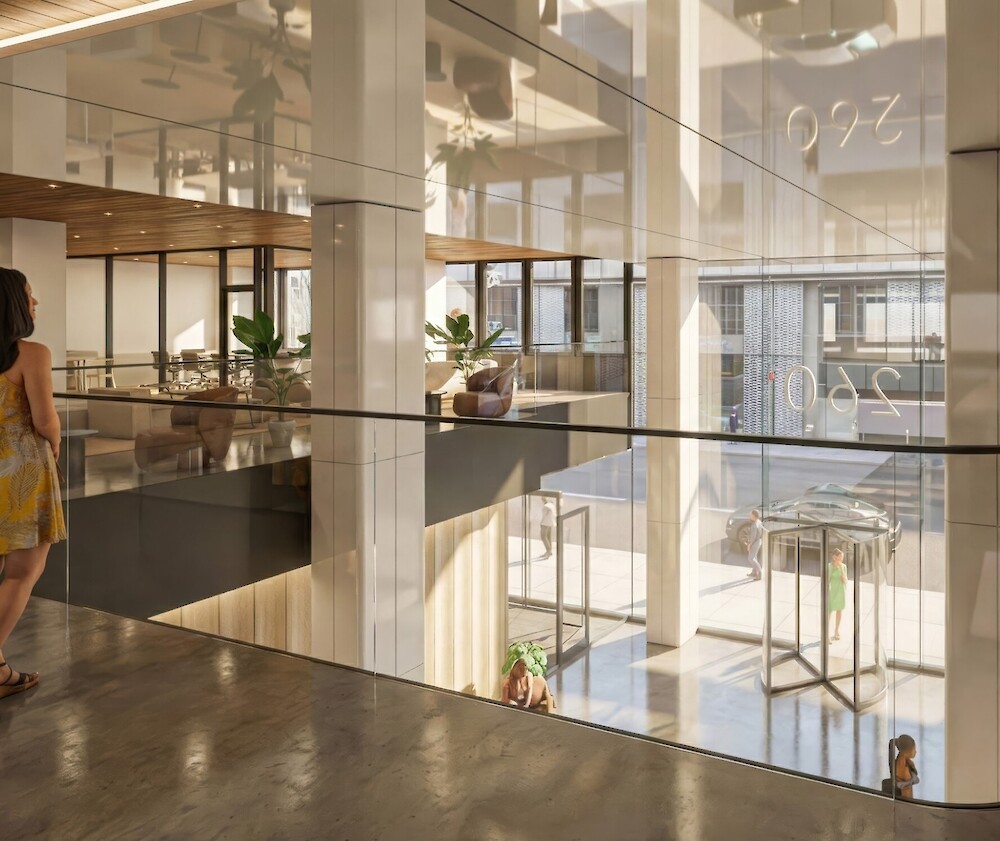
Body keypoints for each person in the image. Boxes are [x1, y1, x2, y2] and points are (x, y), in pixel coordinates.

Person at [0, 268, 65, 700]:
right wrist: (55, 446)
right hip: (21, 472)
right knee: (22, 573)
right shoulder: (31, 354)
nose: (35, 302)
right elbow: (45, 421)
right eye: (28, 294)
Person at [828, 548, 848, 641]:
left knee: (839, 611)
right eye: (839, 557)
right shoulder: (830, 567)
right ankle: (826, 634)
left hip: (841, 592)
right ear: (834, 557)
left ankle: (836, 631)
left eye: (842, 557)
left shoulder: (843, 566)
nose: (841, 559)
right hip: (832, 592)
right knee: (829, 613)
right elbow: (827, 581)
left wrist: (843, 576)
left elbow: (846, 581)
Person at [891, 735, 920, 799]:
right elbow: (906, 794)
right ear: (905, 753)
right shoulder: (904, 770)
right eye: (914, 749)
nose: (916, 752)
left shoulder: (903, 759)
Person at [744, 509, 763, 580]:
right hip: (759, 541)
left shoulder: (754, 525)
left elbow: (753, 538)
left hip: (755, 543)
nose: (749, 516)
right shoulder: (758, 521)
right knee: (754, 557)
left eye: (751, 515)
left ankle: (760, 573)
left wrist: (749, 545)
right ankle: (754, 572)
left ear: (754, 516)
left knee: (751, 558)